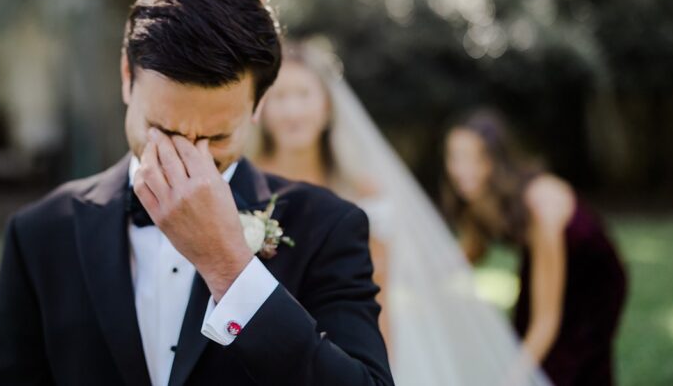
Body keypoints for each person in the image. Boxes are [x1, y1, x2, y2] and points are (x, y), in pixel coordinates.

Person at [0, 0, 393, 386]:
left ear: (258, 106)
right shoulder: (40, 234)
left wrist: (228, 268)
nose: (189, 160)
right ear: (127, 76)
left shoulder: (327, 228)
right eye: (164, 131)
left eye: (215, 137)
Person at [257, 40, 550, 386]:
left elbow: (377, 291)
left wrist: (383, 365)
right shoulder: (249, 183)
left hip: (344, 351)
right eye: (279, 97)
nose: (292, 111)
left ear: (327, 105)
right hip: (265, 346)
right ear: (260, 108)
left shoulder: (363, 191)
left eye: (303, 95)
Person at [443, 108, 628, 386]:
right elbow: (472, 251)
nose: (460, 170)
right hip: (541, 263)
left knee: (561, 365)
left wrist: (512, 378)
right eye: (454, 157)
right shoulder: (478, 197)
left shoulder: (540, 208)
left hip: (593, 283)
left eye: (474, 157)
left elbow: (546, 321)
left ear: (496, 159)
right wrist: (420, 276)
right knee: (518, 342)